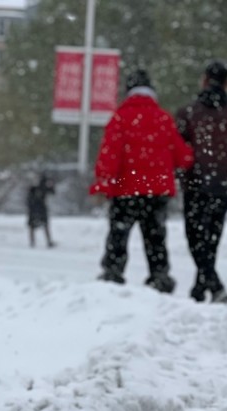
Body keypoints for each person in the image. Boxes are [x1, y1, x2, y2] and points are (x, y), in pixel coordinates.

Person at [90, 69, 194, 293]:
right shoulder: (164, 118)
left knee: (118, 233)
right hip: (156, 190)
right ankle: (159, 275)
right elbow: (182, 156)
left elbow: (109, 154)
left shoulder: (120, 117)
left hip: (125, 189)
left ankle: (113, 272)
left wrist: (102, 183)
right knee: (155, 235)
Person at [175, 60, 227, 303]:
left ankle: (213, 284)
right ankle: (202, 284)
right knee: (211, 237)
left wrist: (184, 174)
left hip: (195, 182)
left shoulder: (188, 114)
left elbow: (178, 149)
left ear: (204, 80)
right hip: (221, 184)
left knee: (195, 236)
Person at [26, 173, 56, 248]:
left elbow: (52, 192)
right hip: (35, 208)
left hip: (40, 208)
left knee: (44, 225)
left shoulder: (42, 187)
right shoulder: (34, 188)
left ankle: (46, 241)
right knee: (34, 226)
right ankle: (33, 241)